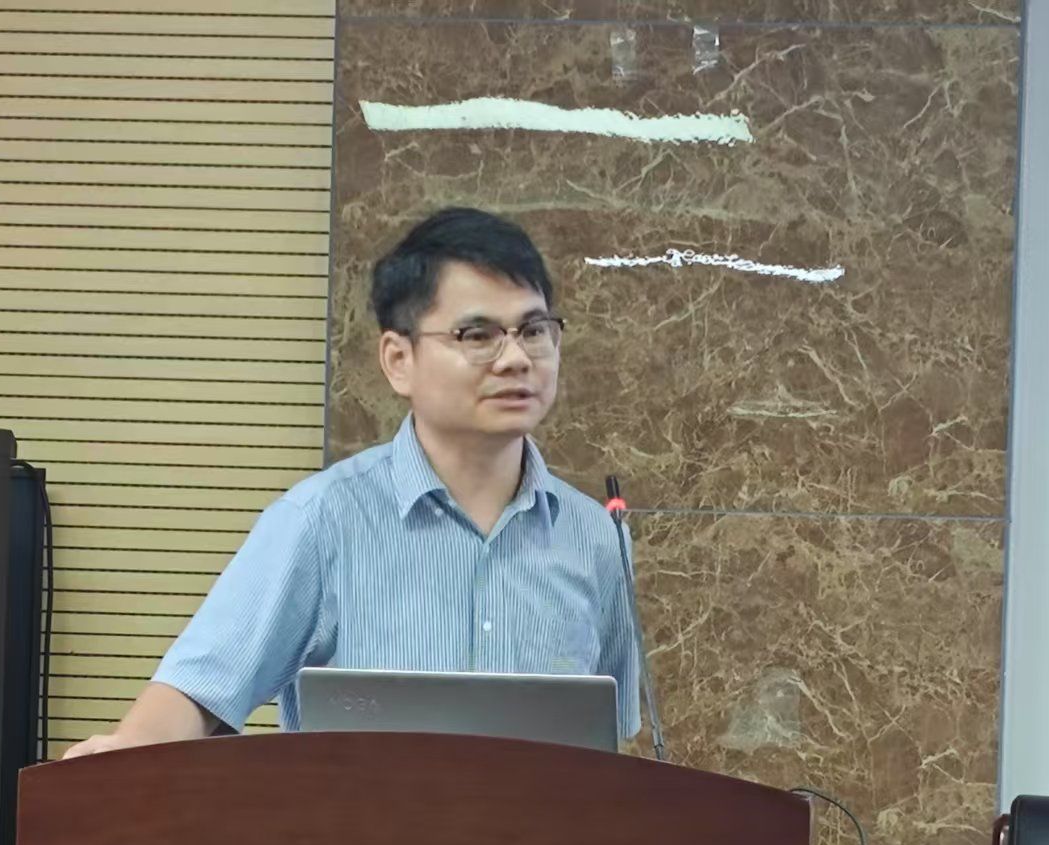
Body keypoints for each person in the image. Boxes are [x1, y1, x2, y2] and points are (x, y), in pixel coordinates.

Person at [63, 207, 640, 758]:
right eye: (477, 335)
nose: (516, 359)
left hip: (542, 832)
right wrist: (128, 751)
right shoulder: (322, 520)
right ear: (398, 359)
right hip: (356, 830)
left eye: (534, 330)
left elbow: (609, 737)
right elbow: (199, 690)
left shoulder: (596, 537)